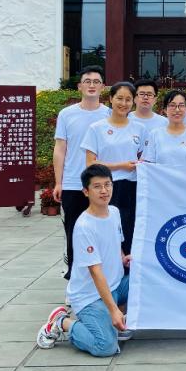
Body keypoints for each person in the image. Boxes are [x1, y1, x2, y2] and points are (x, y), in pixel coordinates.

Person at [37, 164, 133, 356]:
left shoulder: (114, 212)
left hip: (115, 286)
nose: (104, 191)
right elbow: (96, 272)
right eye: (97, 186)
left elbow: (117, 244)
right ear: (86, 191)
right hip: (91, 296)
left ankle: (116, 321)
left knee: (148, 279)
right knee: (105, 346)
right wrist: (113, 310)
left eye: (107, 184)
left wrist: (123, 259)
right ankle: (61, 322)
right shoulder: (84, 227)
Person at [53, 66, 111, 279]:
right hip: (73, 184)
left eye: (96, 82)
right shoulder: (67, 114)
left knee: (103, 232)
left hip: (102, 185)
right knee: (74, 231)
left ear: (103, 87)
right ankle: (74, 277)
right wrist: (58, 182)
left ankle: (104, 278)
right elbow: (60, 149)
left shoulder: (110, 114)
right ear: (79, 86)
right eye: (87, 81)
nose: (92, 85)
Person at [82, 82, 147, 254]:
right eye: (119, 98)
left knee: (129, 228)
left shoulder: (140, 128)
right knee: (107, 230)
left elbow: (144, 158)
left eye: (128, 99)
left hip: (132, 187)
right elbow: (90, 163)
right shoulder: (97, 128)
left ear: (133, 101)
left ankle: (127, 266)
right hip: (106, 187)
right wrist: (121, 166)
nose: (123, 103)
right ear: (111, 99)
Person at [142, 90, 186, 167]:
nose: (177, 110)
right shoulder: (154, 134)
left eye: (181, 105)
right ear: (165, 110)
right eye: (172, 105)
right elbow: (149, 163)